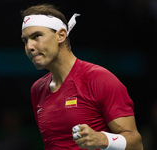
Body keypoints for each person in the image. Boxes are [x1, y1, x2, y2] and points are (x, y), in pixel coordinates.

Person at [20, 4, 143, 150]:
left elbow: (136, 144)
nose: (29, 46)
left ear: (61, 35)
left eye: (36, 36)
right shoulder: (37, 89)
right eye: (25, 40)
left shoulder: (99, 78)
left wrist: (103, 139)